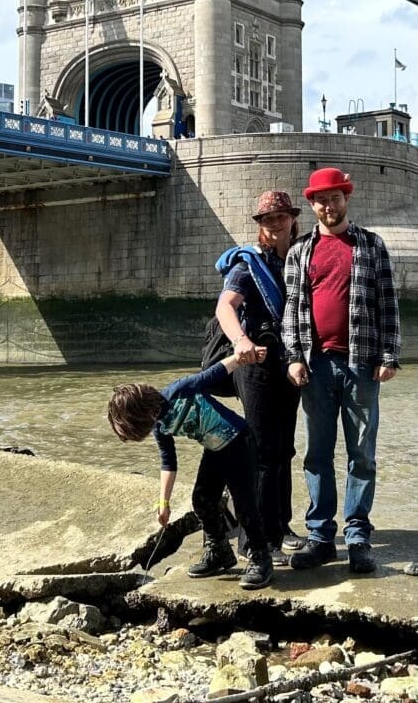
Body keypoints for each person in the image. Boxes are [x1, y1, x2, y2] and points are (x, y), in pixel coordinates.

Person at [282, 167, 401, 574]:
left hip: (362, 365)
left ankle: (357, 538)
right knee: (317, 454)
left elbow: (388, 304)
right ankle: (320, 538)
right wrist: (294, 356)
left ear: (346, 198)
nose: (328, 205)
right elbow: (291, 311)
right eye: (320, 199)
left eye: (335, 197)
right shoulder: (300, 251)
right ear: (312, 205)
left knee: (361, 455)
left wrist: (389, 355)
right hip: (315, 366)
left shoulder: (370, 245)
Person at [108, 350, 274, 590]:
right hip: (214, 449)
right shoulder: (160, 426)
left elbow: (215, 372)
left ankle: (261, 557)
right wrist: (163, 503)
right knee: (202, 500)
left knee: (245, 505)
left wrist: (244, 356)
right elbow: (169, 462)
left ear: (142, 411)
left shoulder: (180, 390)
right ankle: (219, 551)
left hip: (239, 441)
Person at [215, 190, 303, 565]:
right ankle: (256, 538)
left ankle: (281, 526)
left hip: (289, 362)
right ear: (260, 225)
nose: (276, 223)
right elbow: (226, 306)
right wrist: (241, 341)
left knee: (283, 449)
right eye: (268, 218)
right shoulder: (247, 264)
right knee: (263, 451)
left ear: (292, 219)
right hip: (255, 365)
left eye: (281, 216)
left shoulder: (299, 258)